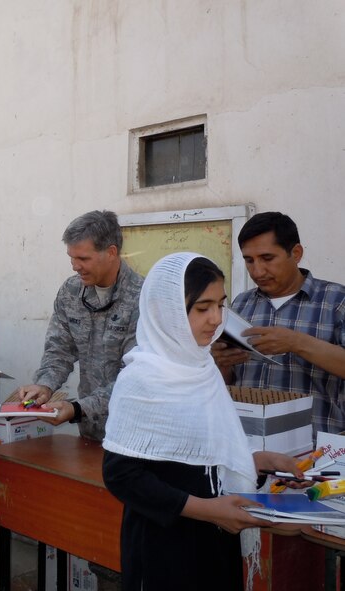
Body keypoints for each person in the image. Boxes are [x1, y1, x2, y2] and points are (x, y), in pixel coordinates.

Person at [102, 253, 304, 591]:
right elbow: (121, 475)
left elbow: (198, 456)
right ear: (167, 312)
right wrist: (207, 510)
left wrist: (256, 461)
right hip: (165, 545)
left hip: (214, 536)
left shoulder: (203, 368)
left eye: (221, 305)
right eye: (202, 308)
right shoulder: (142, 378)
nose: (216, 319)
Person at [212, 212, 345, 437]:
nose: (257, 271)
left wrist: (296, 342)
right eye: (249, 260)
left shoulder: (336, 301)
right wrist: (221, 362)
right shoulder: (241, 303)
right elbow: (228, 383)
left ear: (296, 253)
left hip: (315, 450)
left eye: (267, 258)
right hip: (249, 445)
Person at [14, 210, 144, 440]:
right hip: (90, 431)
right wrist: (44, 386)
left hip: (133, 431)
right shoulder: (71, 292)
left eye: (83, 258)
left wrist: (78, 408)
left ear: (111, 252)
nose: (75, 266)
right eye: (71, 258)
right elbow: (59, 350)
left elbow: (135, 378)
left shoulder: (143, 298)